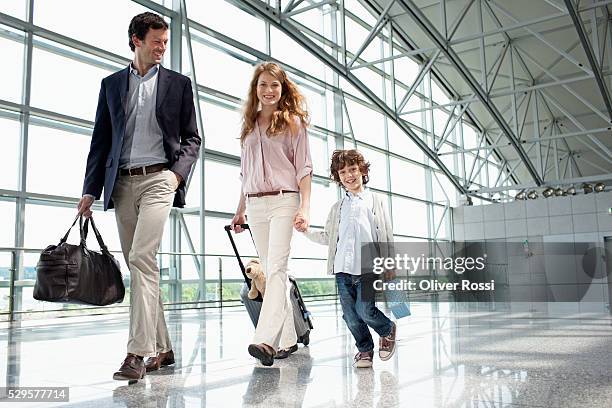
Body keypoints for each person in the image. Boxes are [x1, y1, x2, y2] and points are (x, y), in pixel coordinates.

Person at [77, 12, 201, 381]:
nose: (162, 47)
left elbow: (192, 137)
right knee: (140, 267)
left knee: (142, 258)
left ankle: (137, 353)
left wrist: (177, 176)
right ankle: (163, 348)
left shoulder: (178, 84)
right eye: (156, 41)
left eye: (165, 42)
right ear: (136, 40)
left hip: (160, 179)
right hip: (122, 183)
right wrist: (89, 189)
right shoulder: (112, 84)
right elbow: (101, 140)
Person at [231, 62, 312, 366]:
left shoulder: (293, 124)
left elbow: (304, 168)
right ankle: (289, 338)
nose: (268, 91)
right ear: (256, 89)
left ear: (283, 89)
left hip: (283, 200)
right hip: (255, 205)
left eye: (274, 85)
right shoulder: (248, 126)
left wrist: (304, 207)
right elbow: (245, 174)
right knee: (271, 268)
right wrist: (239, 211)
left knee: (276, 268)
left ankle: (265, 339)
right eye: (263, 85)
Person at [303, 149, 397, 368]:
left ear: (362, 170)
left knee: (365, 310)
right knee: (351, 316)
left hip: (367, 267)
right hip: (342, 271)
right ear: (338, 177)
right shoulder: (337, 208)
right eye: (343, 172)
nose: (349, 175)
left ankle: (387, 329)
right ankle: (365, 350)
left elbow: (385, 234)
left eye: (353, 169)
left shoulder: (375, 200)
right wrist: (305, 231)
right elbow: (328, 238)